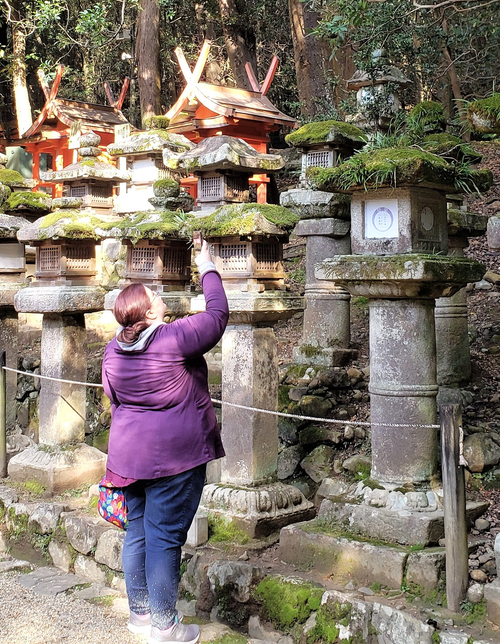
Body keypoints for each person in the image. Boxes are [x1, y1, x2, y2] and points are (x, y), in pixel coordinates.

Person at [102, 241, 229, 644]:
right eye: (155, 297)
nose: (160, 297)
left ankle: (140, 615)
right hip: (175, 458)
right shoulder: (174, 338)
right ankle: (165, 627)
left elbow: (115, 398)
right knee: (164, 538)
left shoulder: (112, 350)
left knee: (138, 532)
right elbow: (217, 315)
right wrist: (206, 266)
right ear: (148, 311)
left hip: (127, 457)